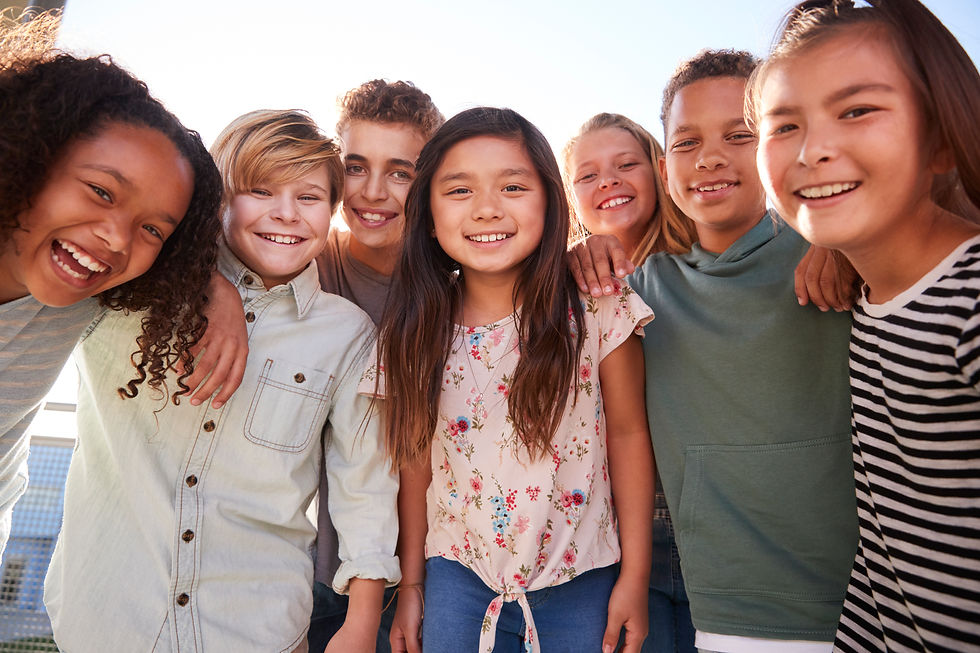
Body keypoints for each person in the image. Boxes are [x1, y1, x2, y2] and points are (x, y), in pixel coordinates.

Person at [44, 110, 399, 653]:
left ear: (332, 213)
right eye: (259, 190)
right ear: (218, 201)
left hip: (260, 630)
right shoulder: (131, 285)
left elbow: (365, 485)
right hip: (107, 622)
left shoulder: (346, 333)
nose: (286, 214)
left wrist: (359, 623)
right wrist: (207, 279)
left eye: (309, 198)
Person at [574, 50, 858, 652]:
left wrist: (845, 238)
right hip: (725, 609)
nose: (709, 158)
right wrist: (577, 254)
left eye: (740, 134)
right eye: (687, 142)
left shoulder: (838, 258)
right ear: (665, 163)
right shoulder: (644, 291)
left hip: (854, 602)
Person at [377, 106, 655, 653]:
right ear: (427, 212)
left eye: (512, 186)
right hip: (457, 579)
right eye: (459, 191)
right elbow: (413, 464)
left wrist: (635, 578)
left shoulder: (598, 308)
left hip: (585, 578)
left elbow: (628, 435)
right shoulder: (413, 331)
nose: (486, 209)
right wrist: (411, 585)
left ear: (551, 201)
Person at [750, 0, 980, 649]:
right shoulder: (871, 286)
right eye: (784, 124)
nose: (814, 150)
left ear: (939, 135)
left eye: (857, 111)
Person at [0, 12, 235, 557]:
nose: (115, 238)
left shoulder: (86, 292)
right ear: (29, 154)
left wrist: (217, 292)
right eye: (102, 192)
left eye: (152, 229)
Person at [308, 80, 443, 653]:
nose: (372, 192)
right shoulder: (300, 263)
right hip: (308, 567)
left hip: (421, 577)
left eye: (400, 172)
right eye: (357, 166)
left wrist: (588, 246)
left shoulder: (455, 289)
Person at [564, 113, 697, 653]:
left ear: (661, 172)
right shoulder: (567, 287)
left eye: (626, 165)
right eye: (588, 175)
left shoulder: (699, 265)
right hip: (615, 541)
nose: (608, 182)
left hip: (708, 529)